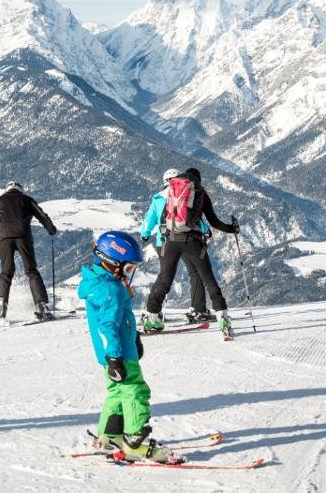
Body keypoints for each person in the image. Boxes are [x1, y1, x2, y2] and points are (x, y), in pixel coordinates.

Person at [77, 230, 174, 463]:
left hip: (117, 352)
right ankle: (134, 442)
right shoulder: (109, 289)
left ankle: (110, 437)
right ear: (112, 263)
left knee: (117, 392)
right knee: (135, 391)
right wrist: (115, 358)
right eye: (129, 268)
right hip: (119, 355)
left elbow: (120, 321)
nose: (131, 274)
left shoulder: (103, 283)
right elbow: (106, 326)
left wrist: (134, 338)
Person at [141, 168, 239, 336]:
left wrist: (146, 235)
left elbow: (162, 217)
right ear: (197, 180)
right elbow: (213, 221)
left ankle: (152, 318)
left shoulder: (171, 191)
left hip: (170, 241)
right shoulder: (200, 192)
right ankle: (223, 319)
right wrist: (232, 229)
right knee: (208, 279)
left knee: (164, 280)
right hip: (193, 242)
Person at [138, 168, 215, 324]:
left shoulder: (158, 198)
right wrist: (206, 231)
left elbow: (149, 220)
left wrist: (145, 234)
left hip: (164, 242)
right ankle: (198, 310)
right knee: (196, 273)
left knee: (164, 276)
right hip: (186, 239)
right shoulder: (186, 193)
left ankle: (153, 312)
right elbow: (195, 219)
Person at [0, 180, 58, 321]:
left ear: (7, 189)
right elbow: (42, 215)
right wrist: (51, 229)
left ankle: (1, 303)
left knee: (6, 271)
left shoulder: (0, 201)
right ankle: (40, 305)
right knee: (31, 271)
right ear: (20, 190)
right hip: (24, 237)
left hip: (5, 239)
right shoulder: (27, 200)